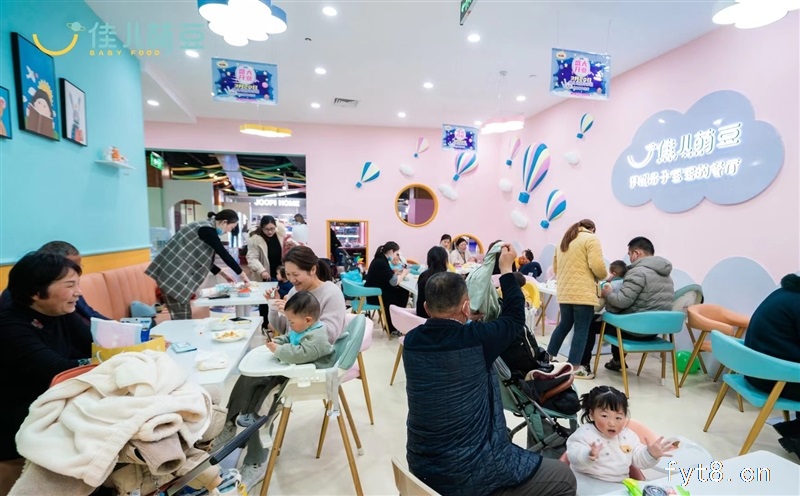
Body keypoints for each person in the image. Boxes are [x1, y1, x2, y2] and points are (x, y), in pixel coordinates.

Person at [404, 244, 576, 496]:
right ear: (466, 307)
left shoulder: (412, 342)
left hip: (422, 467)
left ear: (427, 308)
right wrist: (506, 270)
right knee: (565, 478)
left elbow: (447, 339)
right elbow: (514, 318)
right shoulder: (478, 339)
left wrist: (469, 324)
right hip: (471, 473)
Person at [218, 246, 346, 488]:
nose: (292, 280)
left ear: (313, 270)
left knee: (261, 392)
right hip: (292, 356)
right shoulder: (297, 292)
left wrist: (299, 320)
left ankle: (256, 459)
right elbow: (285, 330)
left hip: (311, 363)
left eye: (296, 274)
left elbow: (326, 336)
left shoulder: (330, 293)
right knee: (248, 374)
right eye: (288, 274)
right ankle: (230, 424)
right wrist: (277, 310)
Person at [0, 252, 93, 494]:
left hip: (53, 402)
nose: (78, 292)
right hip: (17, 418)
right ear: (36, 292)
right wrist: (100, 361)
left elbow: (95, 345)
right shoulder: (10, 324)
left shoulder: (60, 312)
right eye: (70, 285)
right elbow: (56, 370)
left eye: (78, 284)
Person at [588, 237, 674, 373]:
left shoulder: (637, 272)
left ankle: (583, 365)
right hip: (654, 331)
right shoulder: (667, 275)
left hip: (635, 331)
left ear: (637, 253)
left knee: (589, 322)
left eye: (629, 254)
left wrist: (608, 294)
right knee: (621, 318)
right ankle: (617, 361)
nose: (630, 258)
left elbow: (622, 301)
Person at [146, 209, 249, 320]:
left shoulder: (204, 226)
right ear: (224, 222)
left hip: (173, 274)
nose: (228, 231)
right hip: (173, 275)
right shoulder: (207, 230)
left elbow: (201, 259)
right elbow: (223, 253)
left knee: (183, 315)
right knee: (182, 317)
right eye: (231, 228)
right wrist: (242, 274)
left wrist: (223, 274)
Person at [566, 386, 675, 483]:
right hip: (586, 482)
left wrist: (651, 454)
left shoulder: (628, 436)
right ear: (592, 414)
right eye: (604, 416)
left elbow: (639, 460)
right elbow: (573, 455)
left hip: (618, 486)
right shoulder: (585, 433)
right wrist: (588, 455)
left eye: (618, 418)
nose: (612, 423)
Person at [744, 273, 800, 457]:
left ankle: (793, 430)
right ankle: (795, 433)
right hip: (774, 380)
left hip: (755, 370)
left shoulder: (782, 294)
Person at [546, 219, 607, 379]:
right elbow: (598, 267)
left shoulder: (564, 239)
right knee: (581, 329)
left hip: (565, 292)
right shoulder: (591, 239)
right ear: (592, 228)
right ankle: (574, 367)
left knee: (564, 325)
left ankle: (547, 358)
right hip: (583, 293)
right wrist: (603, 276)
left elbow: (556, 268)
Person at [0, 241, 107, 321]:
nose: (76, 272)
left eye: (78, 267)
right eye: (70, 268)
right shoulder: (13, 307)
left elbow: (89, 313)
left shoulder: (66, 301)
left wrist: (113, 326)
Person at [247, 216, 285, 327]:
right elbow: (252, 258)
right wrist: (261, 270)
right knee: (265, 301)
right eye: (266, 229)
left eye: (272, 228)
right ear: (261, 228)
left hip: (281, 274)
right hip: (265, 275)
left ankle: (281, 325)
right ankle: (266, 325)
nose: (270, 232)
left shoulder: (280, 235)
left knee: (282, 298)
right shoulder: (255, 239)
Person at [365, 242, 410, 335]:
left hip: (375, 291)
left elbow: (386, 276)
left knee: (402, 291)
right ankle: (393, 327)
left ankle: (394, 325)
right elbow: (394, 282)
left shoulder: (380, 260)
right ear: (391, 251)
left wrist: (394, 272)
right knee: (402, 293)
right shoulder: (381, 262)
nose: (396, 256)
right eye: (396, 253)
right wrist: (404, 274)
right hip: (375, 295)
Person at [415, 246, 449, 318]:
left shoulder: (423, 275)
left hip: (421, 316)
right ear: (445, 260)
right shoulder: (446, 278)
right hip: (437, 319)